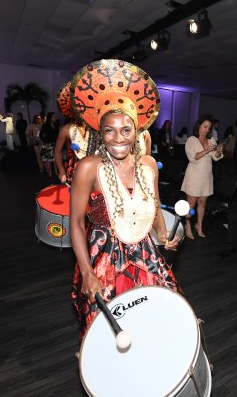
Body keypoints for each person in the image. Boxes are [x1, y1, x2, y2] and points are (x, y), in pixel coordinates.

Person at [69, 59, 180, 340]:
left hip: (144, 253)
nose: (118, 137)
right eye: (109, 130)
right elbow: (77, 224)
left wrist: (165, 235)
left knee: (158, 317)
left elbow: (154, 207)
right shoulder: (88, 168)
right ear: (100, 133)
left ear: (137, 132)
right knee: (105, 332)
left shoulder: (149, 165)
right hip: (103, 258)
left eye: (126, 130)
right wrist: (86, 272)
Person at [181, 114, 223, 239]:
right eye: (205, 126)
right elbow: (193, 158)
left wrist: (218, 152)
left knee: (203, 202)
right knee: (191, 203)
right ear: (199, 125)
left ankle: (199, 226)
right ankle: (187, 225)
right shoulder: (191, 140)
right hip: (194, 175)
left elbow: (216, 158)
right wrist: (207, 150)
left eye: (209, 128)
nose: (206, 129)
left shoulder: (211, 140)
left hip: (206, 176)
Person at [54, 81, 100, 183]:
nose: (82, 111)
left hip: (95, 171)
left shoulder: (97, 128)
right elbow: (57, 151)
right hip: (74, 173)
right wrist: (61, 171)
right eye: (78, 108)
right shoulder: (66, 130)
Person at [39, 112, 59, 177]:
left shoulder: (56, 124)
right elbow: (41, 135)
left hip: (54, 143)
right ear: (50, 118)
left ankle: (56, 171)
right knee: (49, 159)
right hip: (48, 144)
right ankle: (50, 172)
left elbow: (57, 135)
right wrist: (46, 142)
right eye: (54, 117)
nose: (55, 118)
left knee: (55, 158)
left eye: (55, 117)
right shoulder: (45, 125)